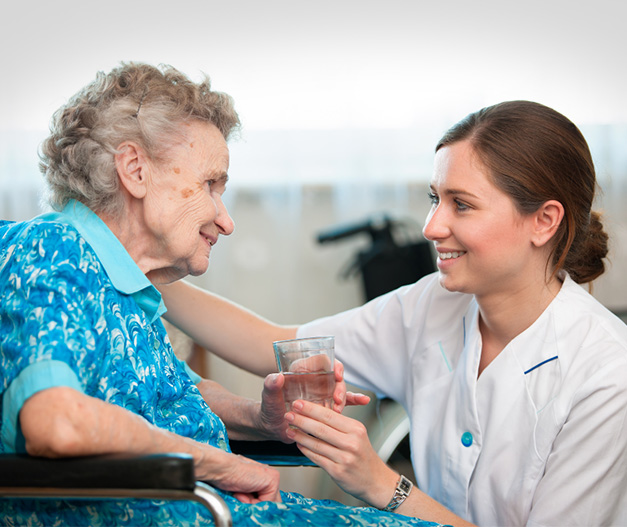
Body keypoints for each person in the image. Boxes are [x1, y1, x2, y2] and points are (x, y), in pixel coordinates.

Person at [0, 62, 440, 527]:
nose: (225, 221)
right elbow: (58, 423)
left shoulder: (123, 287)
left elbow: (172, 398)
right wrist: (222, 465)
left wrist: (263, 419)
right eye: (210, 184)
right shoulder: (52, 249)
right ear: (134, 170)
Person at [158, 100, 627, 526]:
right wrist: (143, 269)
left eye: (461, 204)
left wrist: (381, 484)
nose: (431, 227)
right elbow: (270, 342)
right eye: (434, 199)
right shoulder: (432, 305)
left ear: (544, 221)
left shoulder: (606, 375)